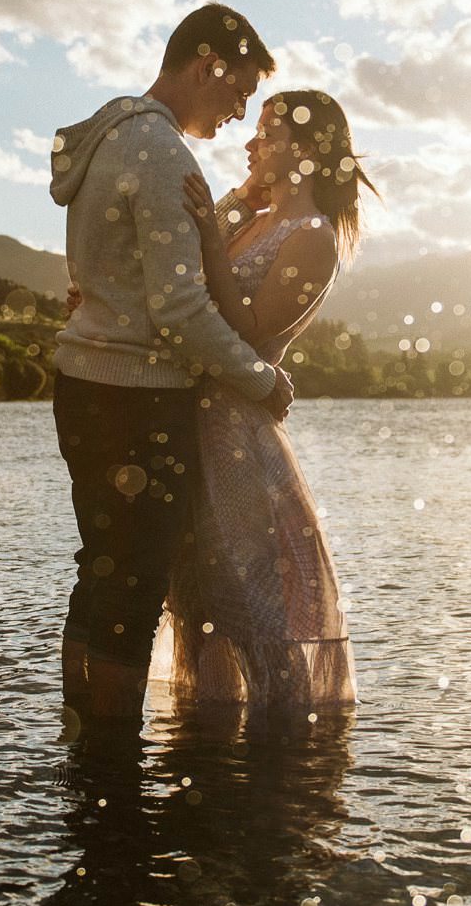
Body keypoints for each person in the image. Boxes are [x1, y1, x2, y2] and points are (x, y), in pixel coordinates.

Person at [48, 3, 294, 727]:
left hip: (84, 386)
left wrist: (227, 207)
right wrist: (261, 381)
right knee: (135, 585)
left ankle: (81, 744)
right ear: (205, 65)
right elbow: (179, 308)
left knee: (101, 568)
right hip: (139, 400)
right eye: (238, 89)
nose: (240, 110)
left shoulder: (114, 137)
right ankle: (113, 761)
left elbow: (140, 259)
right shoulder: (159, 152)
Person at [148, 88, 377, 720]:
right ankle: (209, 746)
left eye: (268, 134)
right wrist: (226, 211)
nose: (251, 143)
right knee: (196, 603)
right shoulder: (257, 221)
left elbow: (247, 330)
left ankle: (283, 761)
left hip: (238, 441)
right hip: (190, 426)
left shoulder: (313, 238)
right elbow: (182, 277)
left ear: (303, 152)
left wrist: (210, 234)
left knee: (252, 606)